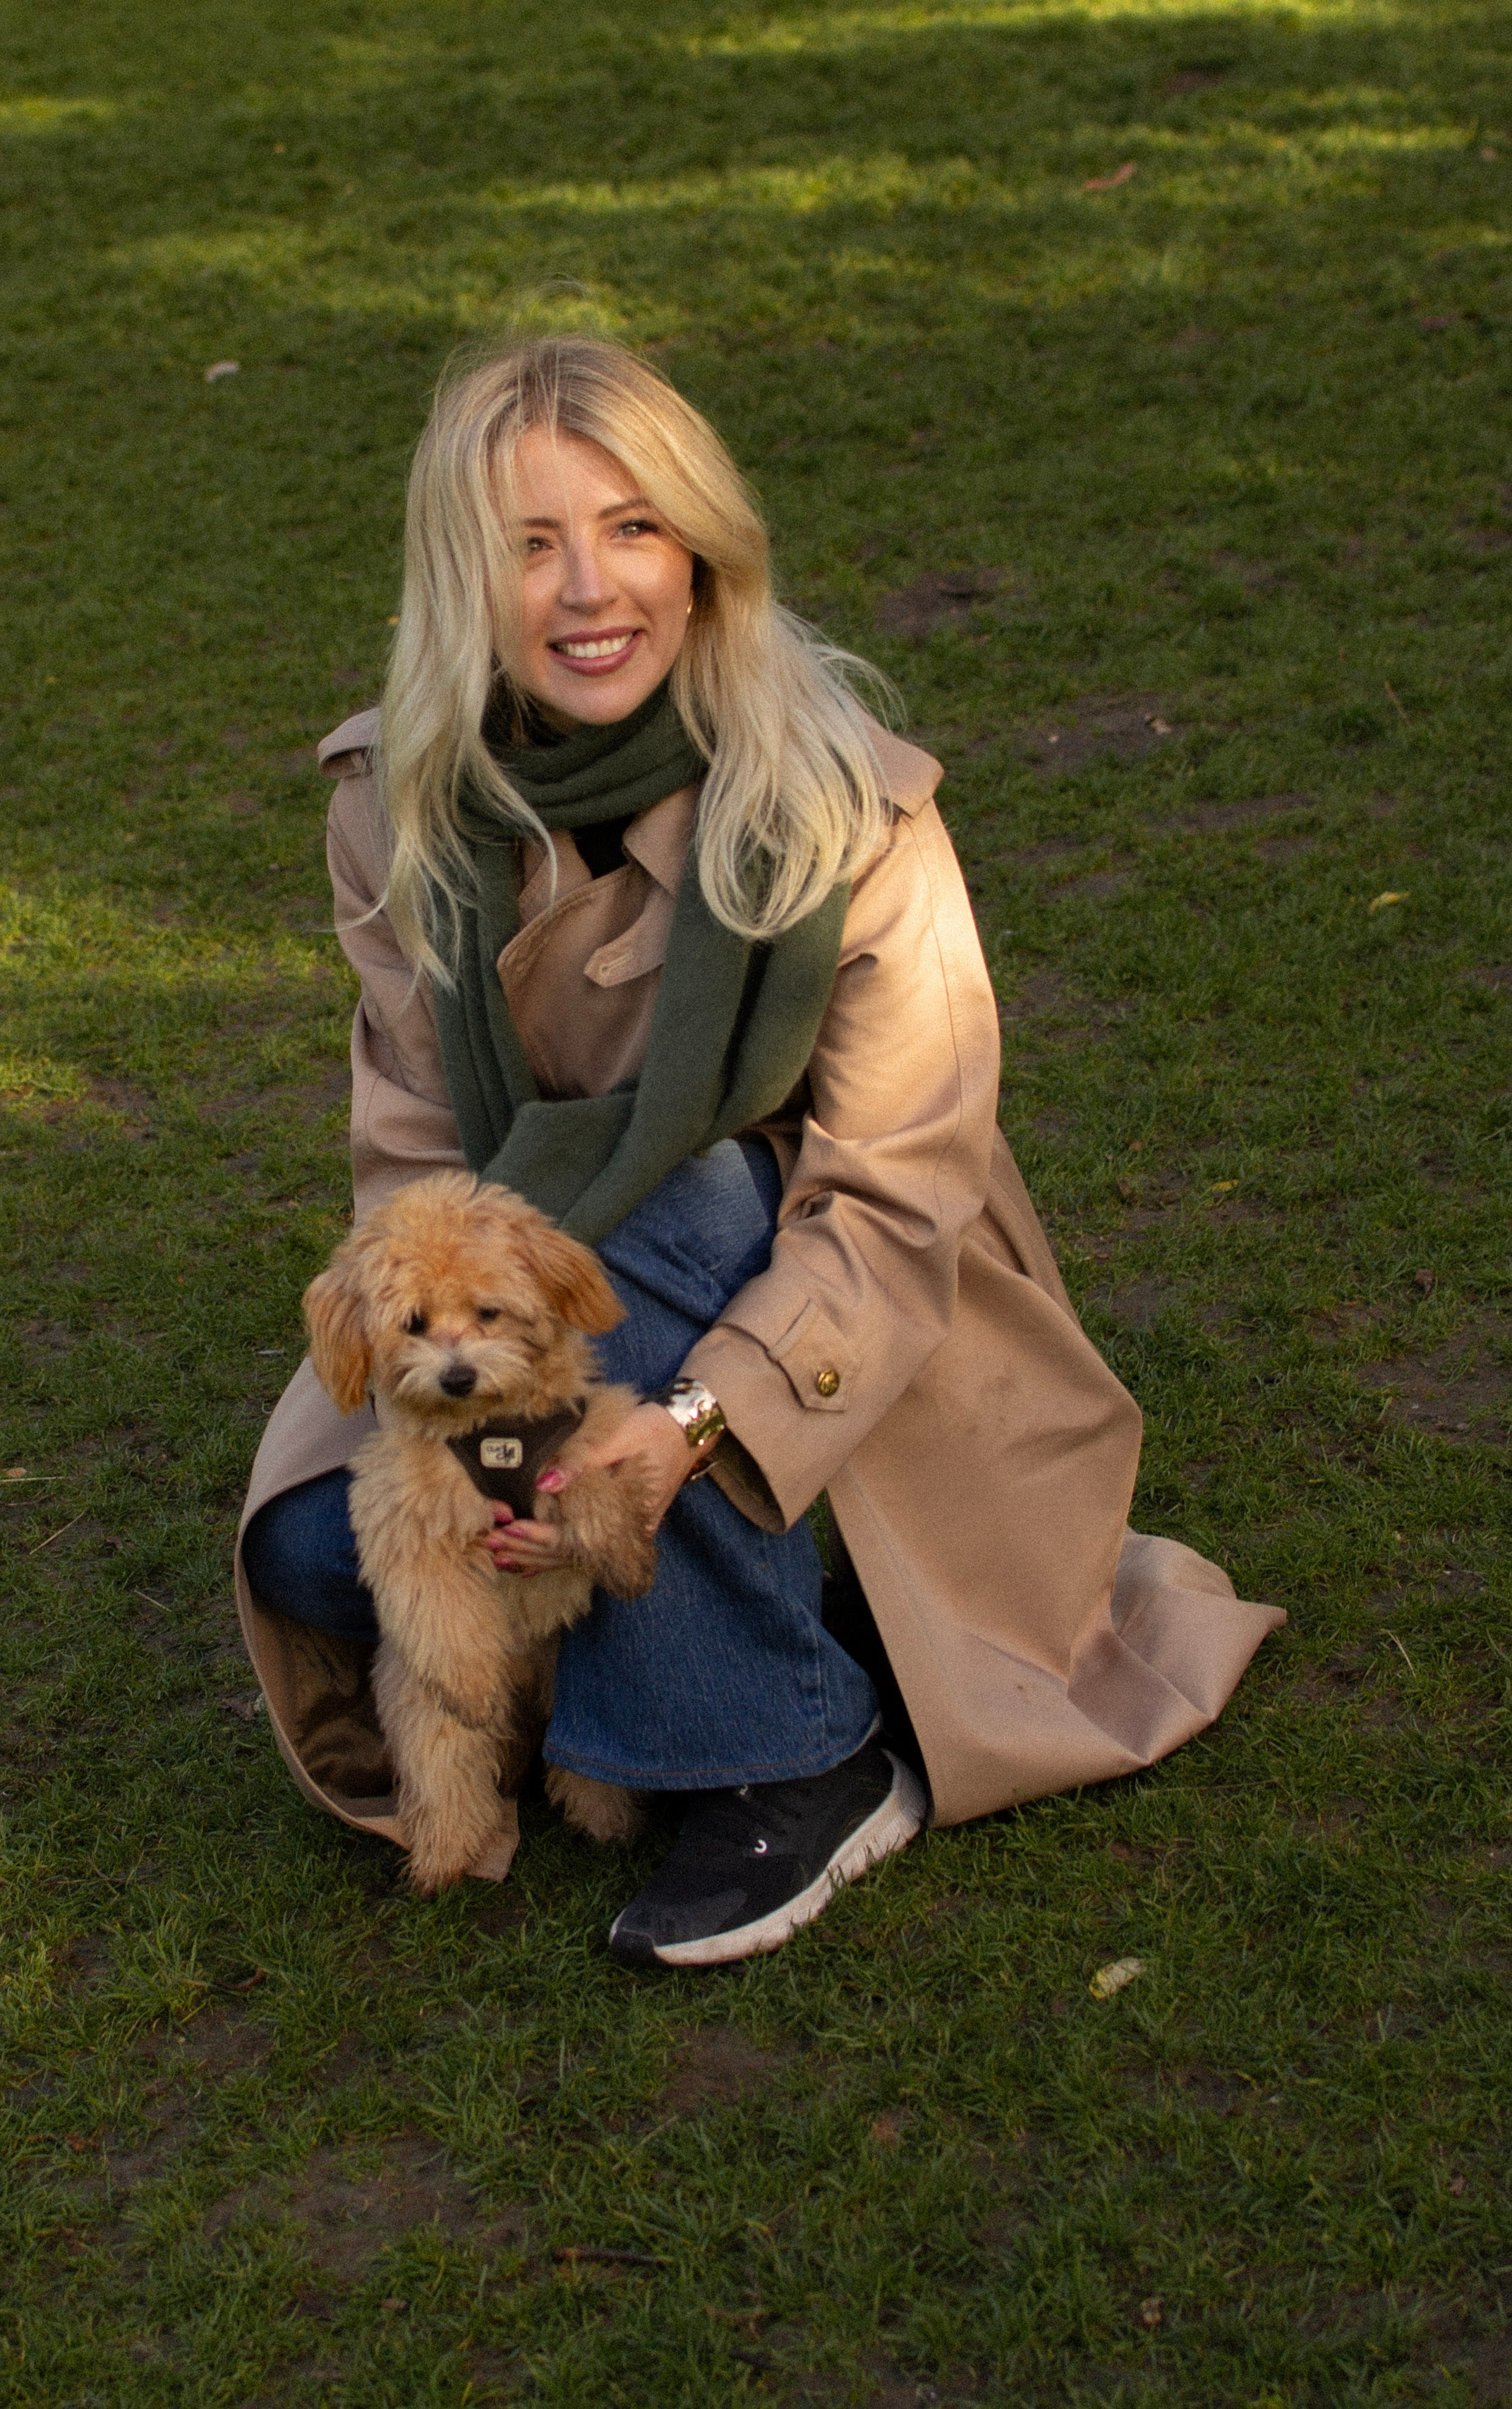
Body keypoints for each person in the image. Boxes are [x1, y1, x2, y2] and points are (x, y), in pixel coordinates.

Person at [234, 337, 1283, 1969]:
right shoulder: (399, 800)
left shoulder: (845, 804)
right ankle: (677, 1636)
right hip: (521, 1335)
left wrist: (676, 1428)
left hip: (817, 1330)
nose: (591, 589)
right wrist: (471, 1443)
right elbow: (417, 1154)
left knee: (677, 1186)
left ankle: (794, 1747)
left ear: (703, 550)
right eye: (529, 543)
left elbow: (890, 1202)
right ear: (460, 574)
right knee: (316, 1549)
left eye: (632, 528)